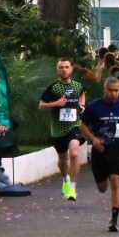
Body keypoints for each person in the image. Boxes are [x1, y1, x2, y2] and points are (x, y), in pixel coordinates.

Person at [79, 77, 119, 232]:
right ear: (104, 90)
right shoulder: (94, 106)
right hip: (100, 151)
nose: (114, 94)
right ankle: (105, 178)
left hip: (118, 151)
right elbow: (82, 125)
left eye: (116, 91)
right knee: (102, 187)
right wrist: (93, 139)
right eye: (110, 90)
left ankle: (114, 220)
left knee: (116, 181)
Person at [38, 58, 86, 201]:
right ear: (57, 70)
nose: (64, 70)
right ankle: (65, 179)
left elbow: (82, 94)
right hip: (58, 128)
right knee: (63, 159)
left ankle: (72, 189)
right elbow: (41, 106)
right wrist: (56, 103)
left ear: (71, 69)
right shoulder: (53, 87)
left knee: (74, 153)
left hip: (73, 125)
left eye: (66, 67)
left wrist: (82, 106)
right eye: (61, 67)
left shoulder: (77, 86)